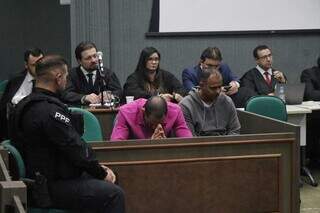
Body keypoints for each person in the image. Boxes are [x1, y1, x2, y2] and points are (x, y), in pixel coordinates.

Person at [10, 55, 125, 212]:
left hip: (36, 179)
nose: (66, 81)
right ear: (58, 78)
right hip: (47, 187)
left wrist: (97, 170)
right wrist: (99, 171)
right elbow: (75, 147)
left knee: (110, 178)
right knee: (113, 193)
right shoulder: (49, 111)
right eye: (65, 77)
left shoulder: (24, 104)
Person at [182, 47, 250, 107]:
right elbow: (192, 91)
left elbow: (235, 79)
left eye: (216, 66)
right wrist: (217, 90)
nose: (213, 69)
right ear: (201, 62)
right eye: (209, 65)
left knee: (245, 92)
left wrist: (234, 84)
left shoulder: (224, 67)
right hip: (201, 106)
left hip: (223, 103)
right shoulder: (190, 73)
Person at [180, 69, 240, 136]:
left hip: (225, 144)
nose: (218, 91)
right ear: (201, 85)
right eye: (213, 88)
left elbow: (235, 131)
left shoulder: (227, 101)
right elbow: (189, 138)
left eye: (219, 87)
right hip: (199, 145)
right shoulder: (186, 105)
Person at [0, 48, 43, 140]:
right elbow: (3, 105)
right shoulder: (16, 79)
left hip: (38, 125)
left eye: (41, 64)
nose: (39, 68)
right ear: (26, 65)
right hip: (14, 125)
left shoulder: (50, 80)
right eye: (34, 65)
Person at [62, 41, 122, 105]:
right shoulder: (71, 74)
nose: (93, 60)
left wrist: (110, 95)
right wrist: (84, 98)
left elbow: (119, 92)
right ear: (79, 61)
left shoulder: (107, 73)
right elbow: (66, 94)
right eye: (88, 58)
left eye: (95, 56)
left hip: (104, 112)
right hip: (80, 113)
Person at [111, 96, 192, 140]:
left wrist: (167, 144)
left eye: (162, 124)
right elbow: (117, 145)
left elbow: (187, 141)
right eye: (151, 124)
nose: (156, 128)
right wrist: (149, 145)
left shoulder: (175, 111)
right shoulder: (126, 112)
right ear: (143, 112)